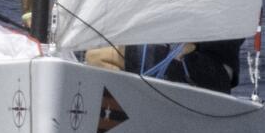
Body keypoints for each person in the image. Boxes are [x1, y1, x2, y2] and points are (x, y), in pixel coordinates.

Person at [85, 40, 244, 94]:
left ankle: (128, 111)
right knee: (98, 54)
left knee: (97, 55)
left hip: (206, 71)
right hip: (217, 76)